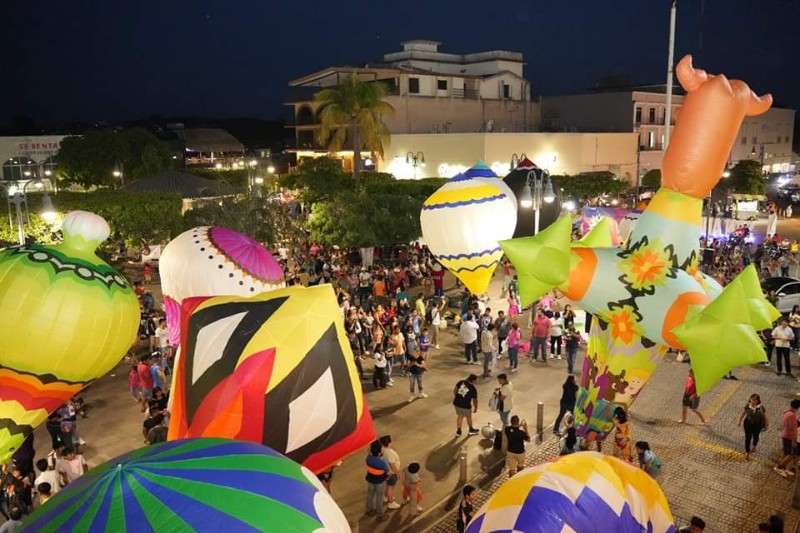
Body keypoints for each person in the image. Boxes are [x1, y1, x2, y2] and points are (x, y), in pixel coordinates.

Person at [738, 393, 769, 460]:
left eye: (755, 400)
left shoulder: (761, 407)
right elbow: (743, 413)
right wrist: (739, 421)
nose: (752, 401)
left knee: (756, 436)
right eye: (751, 399)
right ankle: (747, 451)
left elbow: (765, 416)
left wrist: (766, 425)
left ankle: (754, 445)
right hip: (748, 423)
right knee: (748, 437)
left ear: (758, 401)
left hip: (757, 425)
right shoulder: (747, 406)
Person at [774, 399, 800, 478]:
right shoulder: (792, 415)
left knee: (786, 453)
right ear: (798, 407)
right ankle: (778, 467)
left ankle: (784, 468)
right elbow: (793, 429)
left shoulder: (787, 412)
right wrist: (793, 441)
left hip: (785, 435)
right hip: (788, 437)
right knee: (791, 454)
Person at [365, 441, 390, 519]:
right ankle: (380, 514)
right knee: (379, 497)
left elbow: (369, 451)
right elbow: (388, 472)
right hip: (380, 482)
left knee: (370, 494)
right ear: (379, 453)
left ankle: (368, 510)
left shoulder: (368, 458)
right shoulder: (382, 462)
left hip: (370, 479)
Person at [379, 435, 402, 510]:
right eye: (391, 440)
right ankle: (391, 502)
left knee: (388, 485)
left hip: (386, 471)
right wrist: (397, 473)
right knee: (390, 487)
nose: (393, 441)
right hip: (391, 473)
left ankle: (386, 497)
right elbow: (392, 464)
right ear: (389, 443)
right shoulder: (390, 453)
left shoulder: (383, 449)